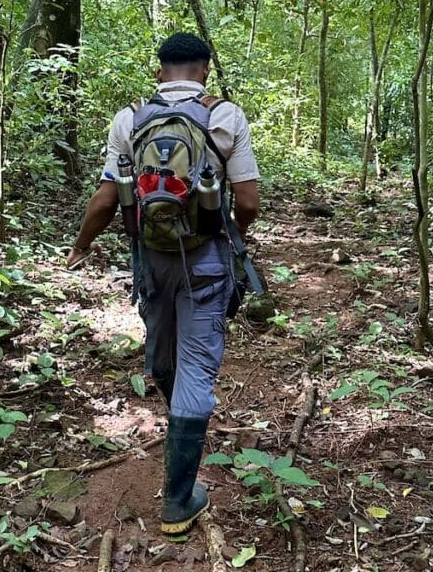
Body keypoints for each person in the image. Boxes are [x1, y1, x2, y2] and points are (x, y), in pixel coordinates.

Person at [67, 32, 260, 533]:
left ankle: (178, 417)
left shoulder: (130, 119)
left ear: (159, 72)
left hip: (150, 262)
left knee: (162, 355)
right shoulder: (225, 116)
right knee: (197, 369)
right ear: (205, 72)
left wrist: (82, 245)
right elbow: (249, 203)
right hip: (206, 262)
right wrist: (231, 237)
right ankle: (178, 500)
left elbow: (107, 201)